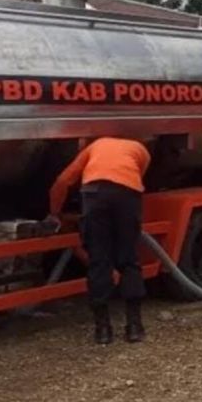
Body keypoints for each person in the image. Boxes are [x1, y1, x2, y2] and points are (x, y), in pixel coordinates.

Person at [48, 136, 152, 345]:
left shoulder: (94, 146)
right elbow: (136, 179)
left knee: (99, 261)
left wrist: (55, 213)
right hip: (127, 196)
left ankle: (103, 330)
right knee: (129, 259)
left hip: (95, 196)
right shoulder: (140, 150)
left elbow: (63, 181)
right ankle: (134, 327)